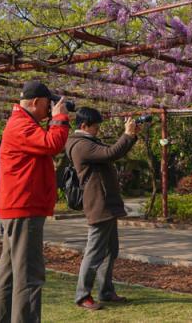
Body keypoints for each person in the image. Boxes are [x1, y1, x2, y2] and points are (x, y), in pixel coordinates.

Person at [0, 80, 70, 323]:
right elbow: (52, 144)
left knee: (11, 275)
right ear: (36, 102)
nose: (50, 110)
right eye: (48, 105)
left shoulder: (21, 123)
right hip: (24, 209)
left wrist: (54, 119)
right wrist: (59, 120)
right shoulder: (21, 125)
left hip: (18, 208)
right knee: (29, 277)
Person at [67, 107, 138, 311]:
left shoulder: (89, 142)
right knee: (94, 252)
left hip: (107, 204)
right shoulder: (80, 145)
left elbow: (113, 153)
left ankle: (106, 291)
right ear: (84, 126)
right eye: (96, 126)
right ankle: (82, 295)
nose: (98, 130)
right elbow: (110, 153)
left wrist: (131, 137)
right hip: (98, 204)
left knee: (110, 251)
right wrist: (126, 134)